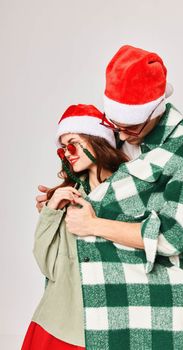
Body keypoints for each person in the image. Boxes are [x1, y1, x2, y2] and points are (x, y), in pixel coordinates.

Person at [36, 45, 183, 349]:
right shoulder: (126, 144)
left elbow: (171, 237)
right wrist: (56, 200)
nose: (123, 136)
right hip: (123, 312)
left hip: (181, 307)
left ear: (157, 109)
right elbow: (105, 197)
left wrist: (92, 225)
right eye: (115, 126)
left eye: (131, 127)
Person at [21, 104, 129, 350]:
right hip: (59, 320)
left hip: (113, 323)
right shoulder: (68, 197)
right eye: (62, 150)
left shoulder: (129, 189)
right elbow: (47, 265)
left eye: (72, 144)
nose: (67, 154)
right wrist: (52, 210)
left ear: (97, 141)